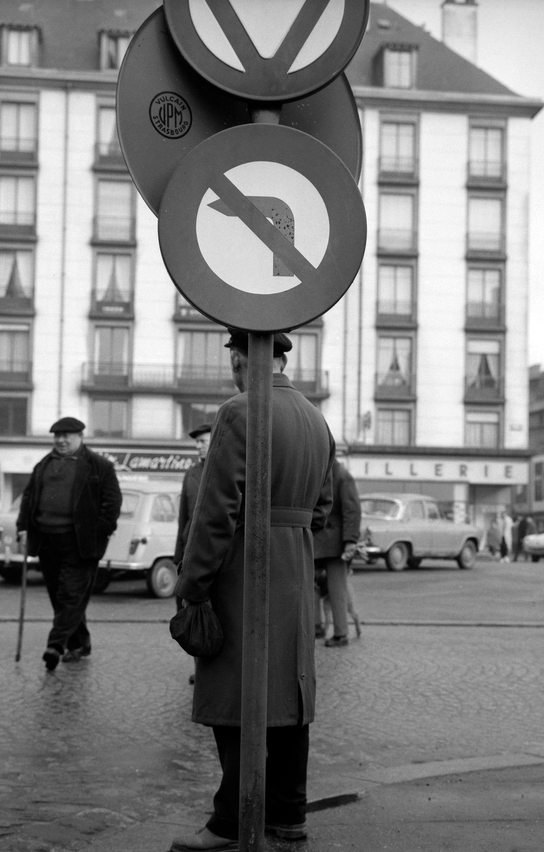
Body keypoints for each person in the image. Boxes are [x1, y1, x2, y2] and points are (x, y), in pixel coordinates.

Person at [170, 330, 335, 852]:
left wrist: (193, 583)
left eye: (233, 364)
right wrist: (291, 531)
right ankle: (288, 812)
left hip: (245, 568)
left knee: (236, 697)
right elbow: (323, 508)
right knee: (289, 692)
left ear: (241, 360)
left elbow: (215, 511)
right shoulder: (316, 419)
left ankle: (229, 822)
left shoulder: (239, 412)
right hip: (295, 566)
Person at [16, 416, 122, 671]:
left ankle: (56, 645)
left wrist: (98, 533)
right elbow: (29, 497)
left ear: (80, 437)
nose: (61, 440)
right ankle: (79, 643)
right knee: (59, 596)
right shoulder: (44, 464)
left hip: (79, 543)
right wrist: (22, 527)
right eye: (57, 436)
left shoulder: (99, 466)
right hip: (46, 540)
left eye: (67, 436)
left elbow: (112, 503)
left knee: (71, 595)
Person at [174, 422, 212, 684]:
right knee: (192, 609)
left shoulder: (230, 470)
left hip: (217, 553)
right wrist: (178, 555)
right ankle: (200, 667)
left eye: (203, 441)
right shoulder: (191, 474)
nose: (198, 446)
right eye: (196, 442)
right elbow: (183, 517)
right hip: (191, 552)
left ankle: (214, 670)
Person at [313, 458, 361, 647]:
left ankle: (340, 633)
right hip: (324, 541)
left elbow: (352, 511)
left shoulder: (340, 475)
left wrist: (350, 542)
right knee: (316, 586)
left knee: (335, 590)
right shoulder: (331, 473)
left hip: (332, 542)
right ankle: (318, 626)